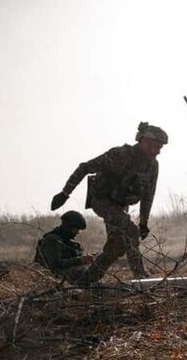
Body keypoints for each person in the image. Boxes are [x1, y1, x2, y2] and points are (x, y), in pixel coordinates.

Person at [50, 122, 167, 284]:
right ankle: (141, 276)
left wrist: (143, 222)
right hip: (101, 201)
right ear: (142, 141)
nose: (156, 151)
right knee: (130, 231)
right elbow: (85, 167)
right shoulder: (119, 155)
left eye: (159, 148)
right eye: (153, 146)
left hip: (121, 206)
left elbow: (148, 195)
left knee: (116, 246)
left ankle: (87, 279)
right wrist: (65, 193)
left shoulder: (152, 166)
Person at [35, 210, 93, 283]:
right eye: (76, 229)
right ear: (68, 227)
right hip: (51, 277)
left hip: (64, 276)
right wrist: (79, 260)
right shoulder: (52, 239)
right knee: (85, 271)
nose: (77, 232)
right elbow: (54, 264)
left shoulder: (68, 240)